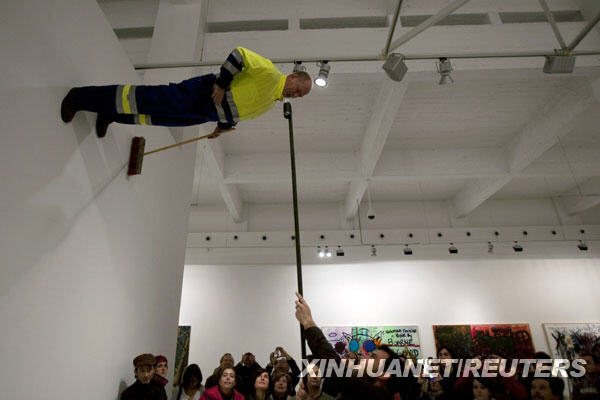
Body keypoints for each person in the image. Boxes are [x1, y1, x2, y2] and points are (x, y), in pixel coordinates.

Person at [60, 47, 312, 137]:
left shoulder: (271, 100)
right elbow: (239, 54)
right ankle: (80, 97)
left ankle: (110, 114)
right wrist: (222, 84)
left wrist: (222, 127)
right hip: (201, 95)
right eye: (298, 90)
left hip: (205, 113)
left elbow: (238, 111)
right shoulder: (269, 73)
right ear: (292, 76)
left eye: (300, 96)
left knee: (155, 118)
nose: (296, 95)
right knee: (145, 99)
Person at [293, 292, 398, 400]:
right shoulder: (359, 389)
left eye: (372, 357)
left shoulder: (376, 395)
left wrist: (308, 323)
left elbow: (335, 368)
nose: (363, 356)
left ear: (384, 375)